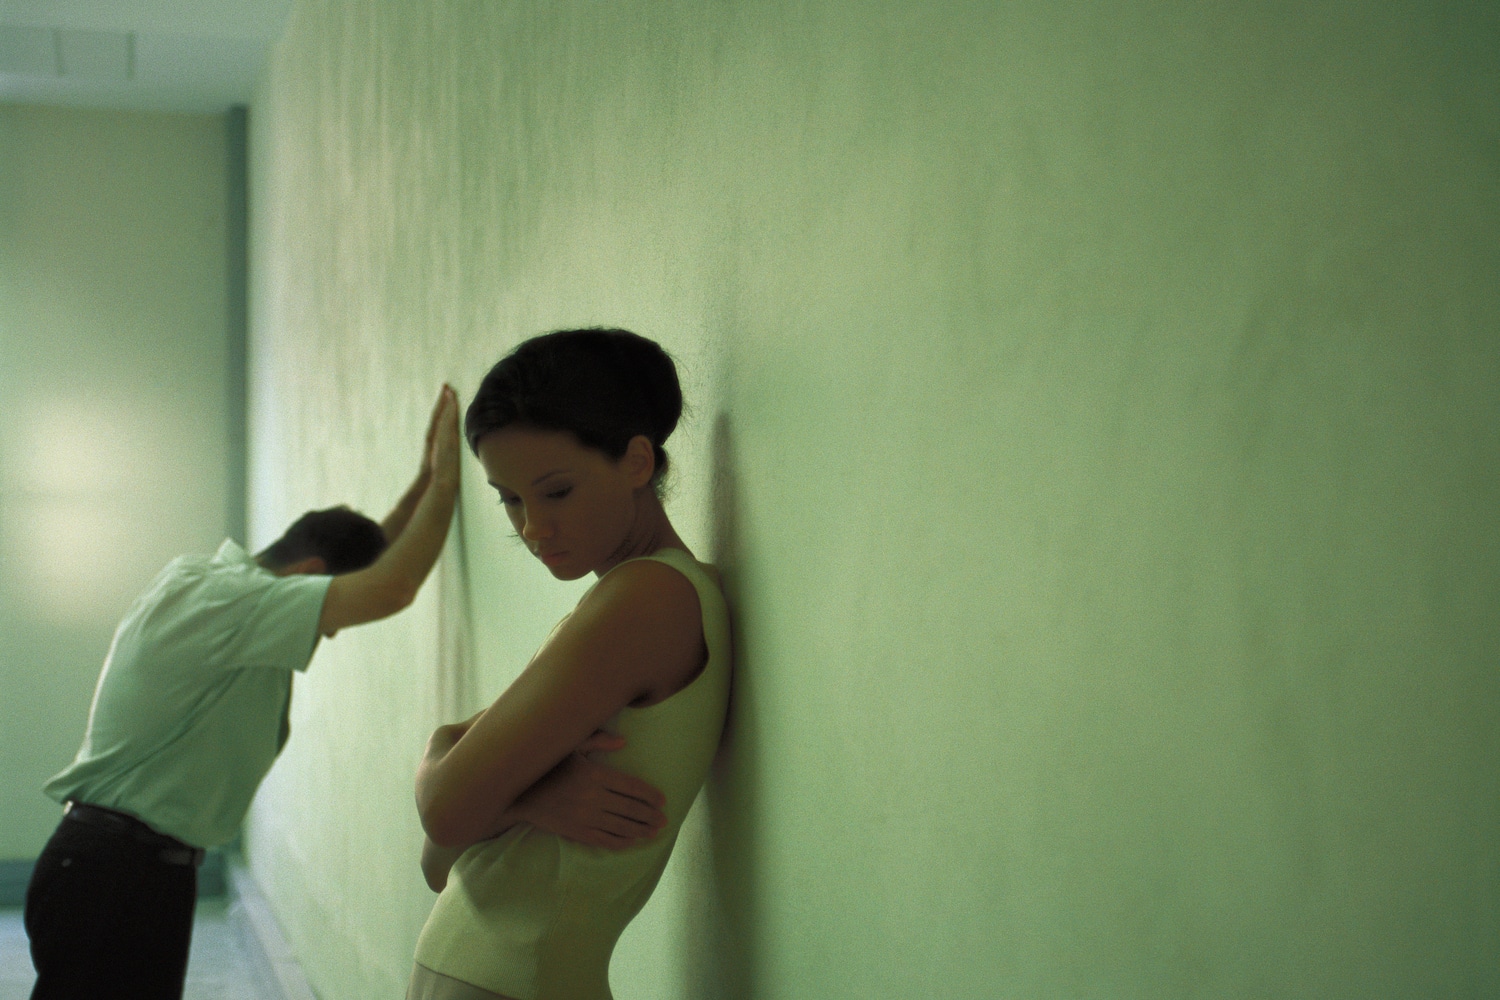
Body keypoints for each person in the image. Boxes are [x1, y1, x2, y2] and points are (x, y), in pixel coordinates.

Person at [25, 386, 466, 1000]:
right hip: (112, 875)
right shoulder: (229, 602)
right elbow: (390, 588)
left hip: (131, 871)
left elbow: (371, 570)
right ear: (307, 576)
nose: (330, 631)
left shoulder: (224, 593)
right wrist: (447, 481)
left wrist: (419, 484)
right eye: (330, 616)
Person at [408, 328, 732, 1000]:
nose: (533, 527)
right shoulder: (627, 601)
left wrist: (487, 790)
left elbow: (442, 813)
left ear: (636, 461)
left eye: (556, 492)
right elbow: (438, 859)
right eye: (510, 498)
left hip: (511, 980)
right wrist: (530, 796)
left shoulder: (647, 600)